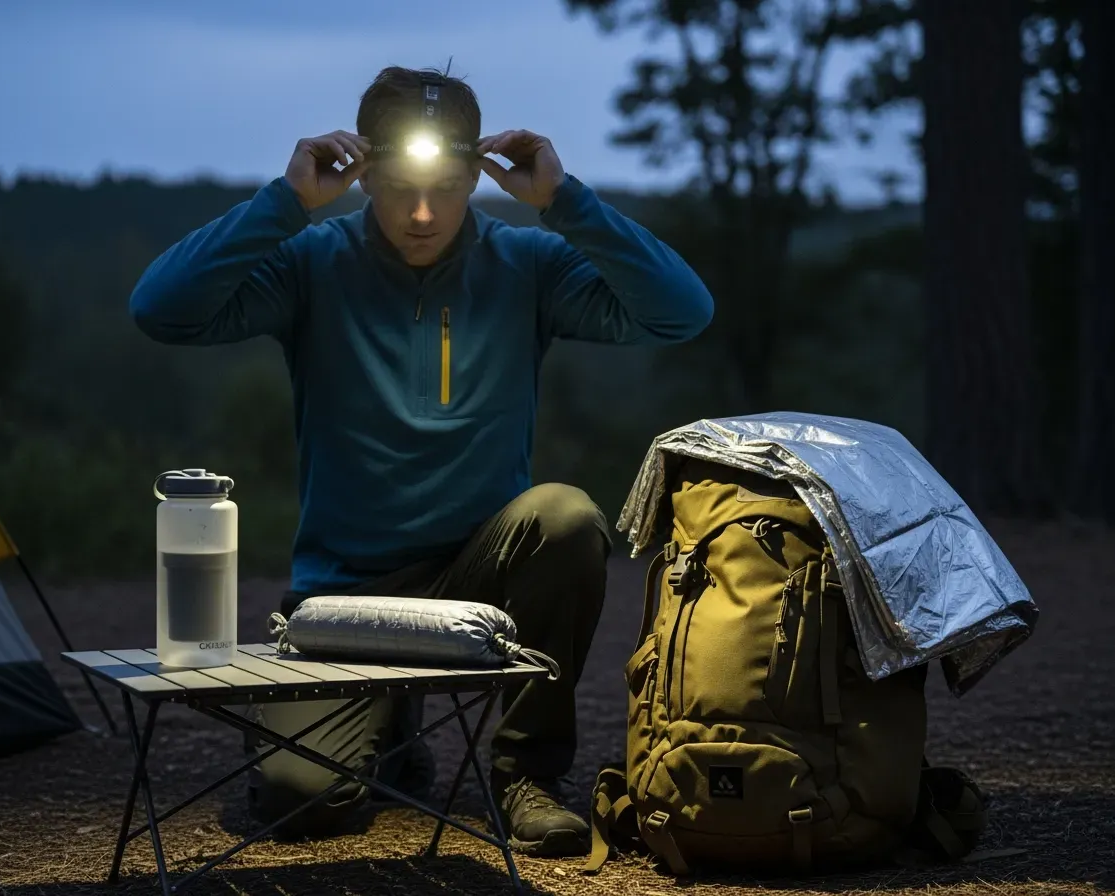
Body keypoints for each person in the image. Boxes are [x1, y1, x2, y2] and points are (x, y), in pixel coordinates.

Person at [128, 65, 715, 858]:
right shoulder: (311, 261)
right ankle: (391, 732)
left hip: (478, 574)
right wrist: (284, 203)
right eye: (400, 186)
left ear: (478, 172)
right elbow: (160, 310)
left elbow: (682, 313)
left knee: (567, 517)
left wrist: (568, 202)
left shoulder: (527, 265)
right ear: (360, 170)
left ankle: (525, 774)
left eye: (446, 185)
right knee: (301, 803)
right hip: (343, 600)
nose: (423, 212)